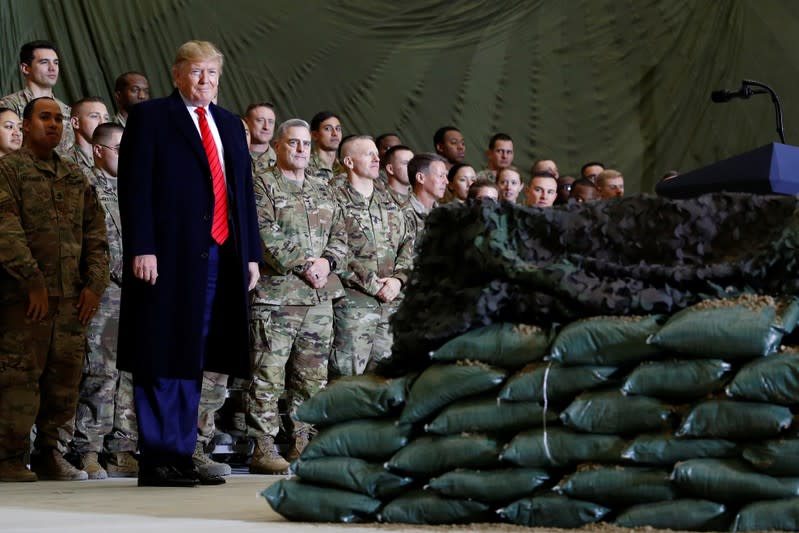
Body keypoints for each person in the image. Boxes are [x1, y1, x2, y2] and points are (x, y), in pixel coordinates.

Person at [116, 40, 261, 487]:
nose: (205, 81)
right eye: (196, 72)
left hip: (219, 255)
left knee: (194, 354)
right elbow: (135, 187)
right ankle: (157, 455)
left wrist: (252, 253)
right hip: (166, 254)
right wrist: (142, 246)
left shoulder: (230, 125)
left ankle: (180, 453)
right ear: (178, 74)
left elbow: (243, 195)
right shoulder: (152, 117)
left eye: (212, 74)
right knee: (161, 350)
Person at [0, 96, 109, 482]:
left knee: (64, 381)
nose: (54, 125)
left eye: (59, 119)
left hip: (71, 302)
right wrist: (32, 281)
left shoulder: (75, 176)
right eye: (44, 118)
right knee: (19, 378)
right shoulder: (9, 171)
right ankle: (9, 457)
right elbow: (6, 232)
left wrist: (94, 286)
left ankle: (51, 453)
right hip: (23, 300)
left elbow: (97, 236)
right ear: (26, 125)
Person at [247, 118, 347, 474]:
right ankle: (263, 445)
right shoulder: (261, 182)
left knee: (312, 378)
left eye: (306, 143)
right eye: (294, 143)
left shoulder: (323, 187)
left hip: (319, 298)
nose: (302, 149)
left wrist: (328, 261)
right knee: (268, 375)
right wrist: (305, 264)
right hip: (278, 296)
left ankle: (303, 441)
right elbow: (263, 231)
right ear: (278, 146)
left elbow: (341, 231)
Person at [72, 122, 139, 479]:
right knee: (100, 372)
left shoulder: (138, 188)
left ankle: (124, 448)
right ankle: (89, 448)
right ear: (98, 150)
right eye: (118, 148)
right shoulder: (84, 187)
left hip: (140, 291)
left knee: (132, 373)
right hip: (105, 292)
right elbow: (86, 242)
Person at [330, 135, 413, 377]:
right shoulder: (332, 196)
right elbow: (332, 247)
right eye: (369, 154)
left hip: (390, 303)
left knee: (385, 378)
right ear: (349, 161)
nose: (377, 158)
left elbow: (408, 243)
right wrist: (372, 284)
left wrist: (398, 280)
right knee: (346, 377)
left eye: (377, 153)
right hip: (353, 303)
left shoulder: (390, 199)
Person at [0, 40, 74, 154]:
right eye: (44, 62)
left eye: (56, 62)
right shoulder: (8, 106)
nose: (52, 68)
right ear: (25, 68)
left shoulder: (67, 111)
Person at [64, 97, 110, 177]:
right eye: (94, 116)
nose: (102, 123)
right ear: (76, 123)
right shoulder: (66, 163)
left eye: (106, 118)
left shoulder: (112, 157)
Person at [407, 153, 448, 240]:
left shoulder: (444, 214)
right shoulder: (401, 215)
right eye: (441, 176)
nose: (446, 181)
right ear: (421, 178)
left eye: (446, 176)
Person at [307, 111, 344, 181]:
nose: (335, 133)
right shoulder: (303, 165)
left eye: (338, 129)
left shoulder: (345, 170)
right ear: (315, 135)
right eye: (328, 129)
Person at [244, 102, 277, 176]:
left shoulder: (281, 162)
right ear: (246, 122)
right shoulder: (232, 156)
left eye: (271, 122)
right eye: (260, 120)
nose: (266, 127)